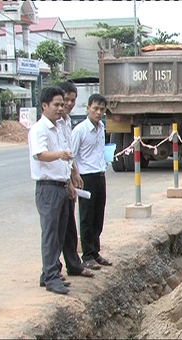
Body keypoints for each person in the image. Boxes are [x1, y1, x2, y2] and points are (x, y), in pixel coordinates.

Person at [29, 86, 75, 294]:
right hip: (48, 188)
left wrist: (71, 181)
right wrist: (59, 155)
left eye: (61, 104)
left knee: (59, 233)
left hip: (61, 185)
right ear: (44, 106)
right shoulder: (39, 129)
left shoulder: (59, 127)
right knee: (50, 233)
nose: (60, 108)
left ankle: (50, 272)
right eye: (56, 105)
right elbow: (40, 154)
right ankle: (50, 276)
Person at [58, 81, 98, 277]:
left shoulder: (66, 122)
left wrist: (73, 173)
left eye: (73, 100)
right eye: (66, 100)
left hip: (67, 180)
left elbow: (70, 154)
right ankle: (51, 272)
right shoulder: (54, 125)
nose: (69, 104)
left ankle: (74, 264)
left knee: (69, 227)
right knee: (56, 229)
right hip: (54, 183)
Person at [72, 93, 113, 270]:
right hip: (86, 177)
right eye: (95, 108)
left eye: (102, 109)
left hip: (99, 175)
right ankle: (87, 254)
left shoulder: (101, 127)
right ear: (88, 108)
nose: (98, 112)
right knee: (86, 216)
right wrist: (75, 175)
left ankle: (95, 251)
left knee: (98, 215)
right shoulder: (80, 131)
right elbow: (71, 155)